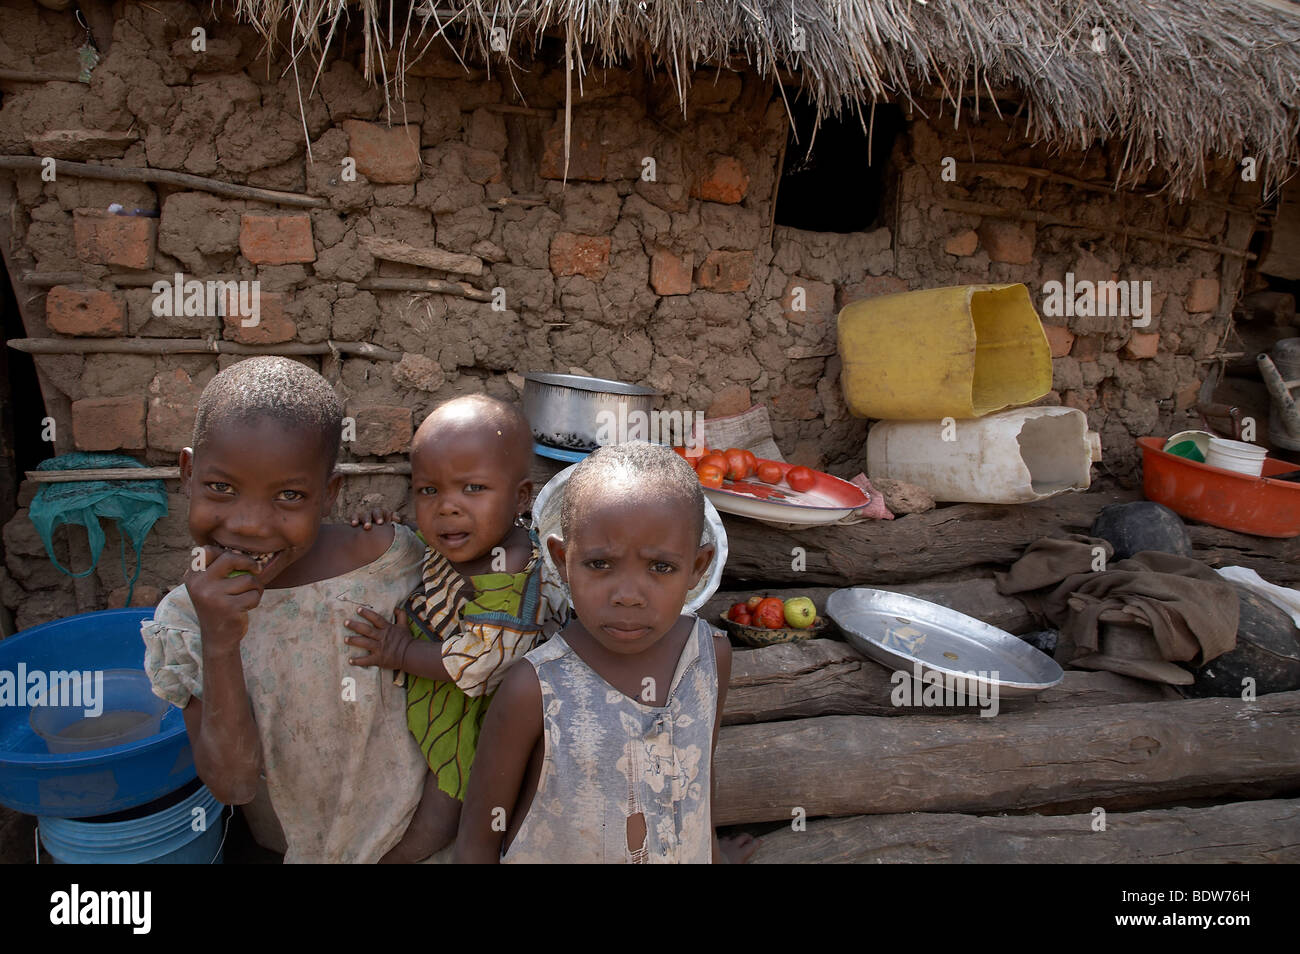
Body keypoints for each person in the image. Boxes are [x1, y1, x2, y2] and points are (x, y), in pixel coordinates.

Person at [141, 357, 428, 863]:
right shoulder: (186, 621)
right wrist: (220, 641)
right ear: (188, 474)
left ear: (329, 495)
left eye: (290, 495)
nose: (250, 525)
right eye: (221, 488)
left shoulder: (390, 563)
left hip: (425, 843)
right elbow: (233, 784)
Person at [455, 441, 732, 863]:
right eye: (600, 564)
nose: (627, 595)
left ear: (697, 568)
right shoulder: (534, 689)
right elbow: (476, 846)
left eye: (661, 567)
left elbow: (695, 790)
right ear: (563, 560)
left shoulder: (709, 656)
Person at [343, 395, 569, 863]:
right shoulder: (462, 539)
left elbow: (481, 664)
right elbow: (416, 544)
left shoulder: (516, 581)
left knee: (446, 800)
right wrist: (383, 524)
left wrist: (398, 652)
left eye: (473, 489)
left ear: (521, 497)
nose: (447, 508)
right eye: (429, 491)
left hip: (484, 711)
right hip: (440, 691)